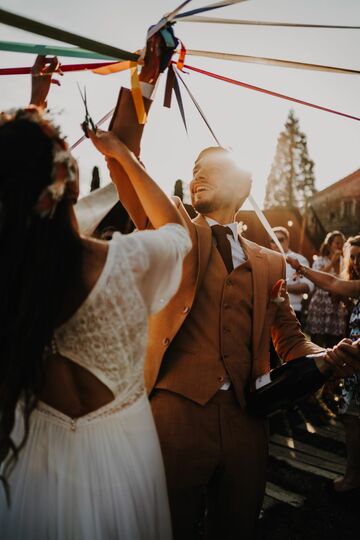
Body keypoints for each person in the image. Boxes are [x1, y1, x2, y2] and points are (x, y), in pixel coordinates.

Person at [100, 52, 360, 538]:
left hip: (248, 422)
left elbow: (289, 337)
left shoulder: (268, 261)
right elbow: (122, 159)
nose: (196, 174)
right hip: (173, 414)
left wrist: (326, 355)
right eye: (194, 167)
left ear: (241, 184)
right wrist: (144, 84)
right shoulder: (174, 228)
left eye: (210, 169)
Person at [0, 57, 191, 539]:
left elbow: (16, 178)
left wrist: (31, 110)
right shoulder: (125, 264)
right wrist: (123, 153)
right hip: (122, 461)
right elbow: (176, 231)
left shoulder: (10, 280)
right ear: (68, 177)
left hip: (31, 470)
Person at [288, 235, 360, 495]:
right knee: (350, 418)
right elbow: (331, 282)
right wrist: (302, 269)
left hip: (356, 357)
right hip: (354, 364)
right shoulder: (357, 286)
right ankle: (353, 476)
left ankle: (353, 479)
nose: (357, 263)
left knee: (352, 418)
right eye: (354, 257)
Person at [306, 230, 347, 348]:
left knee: (333, 342)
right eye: (337, 243)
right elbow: (317, 279)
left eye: (342, 243)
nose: (340, 246)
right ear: (329, 245)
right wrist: (332, 262)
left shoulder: (345, 263)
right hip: (320, 304)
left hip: (335, 306)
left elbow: (343, 281)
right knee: (317, 341)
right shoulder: (319, 261)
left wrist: (338, 263)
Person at [270, 226, 314, 321]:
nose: (276, 243)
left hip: (292, 309)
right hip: (269, 309)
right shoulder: (265, 260)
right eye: (273, 240)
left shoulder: (299, 259)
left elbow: (308, 286)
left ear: (288, 241)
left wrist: (282, 287)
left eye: (280, 240)